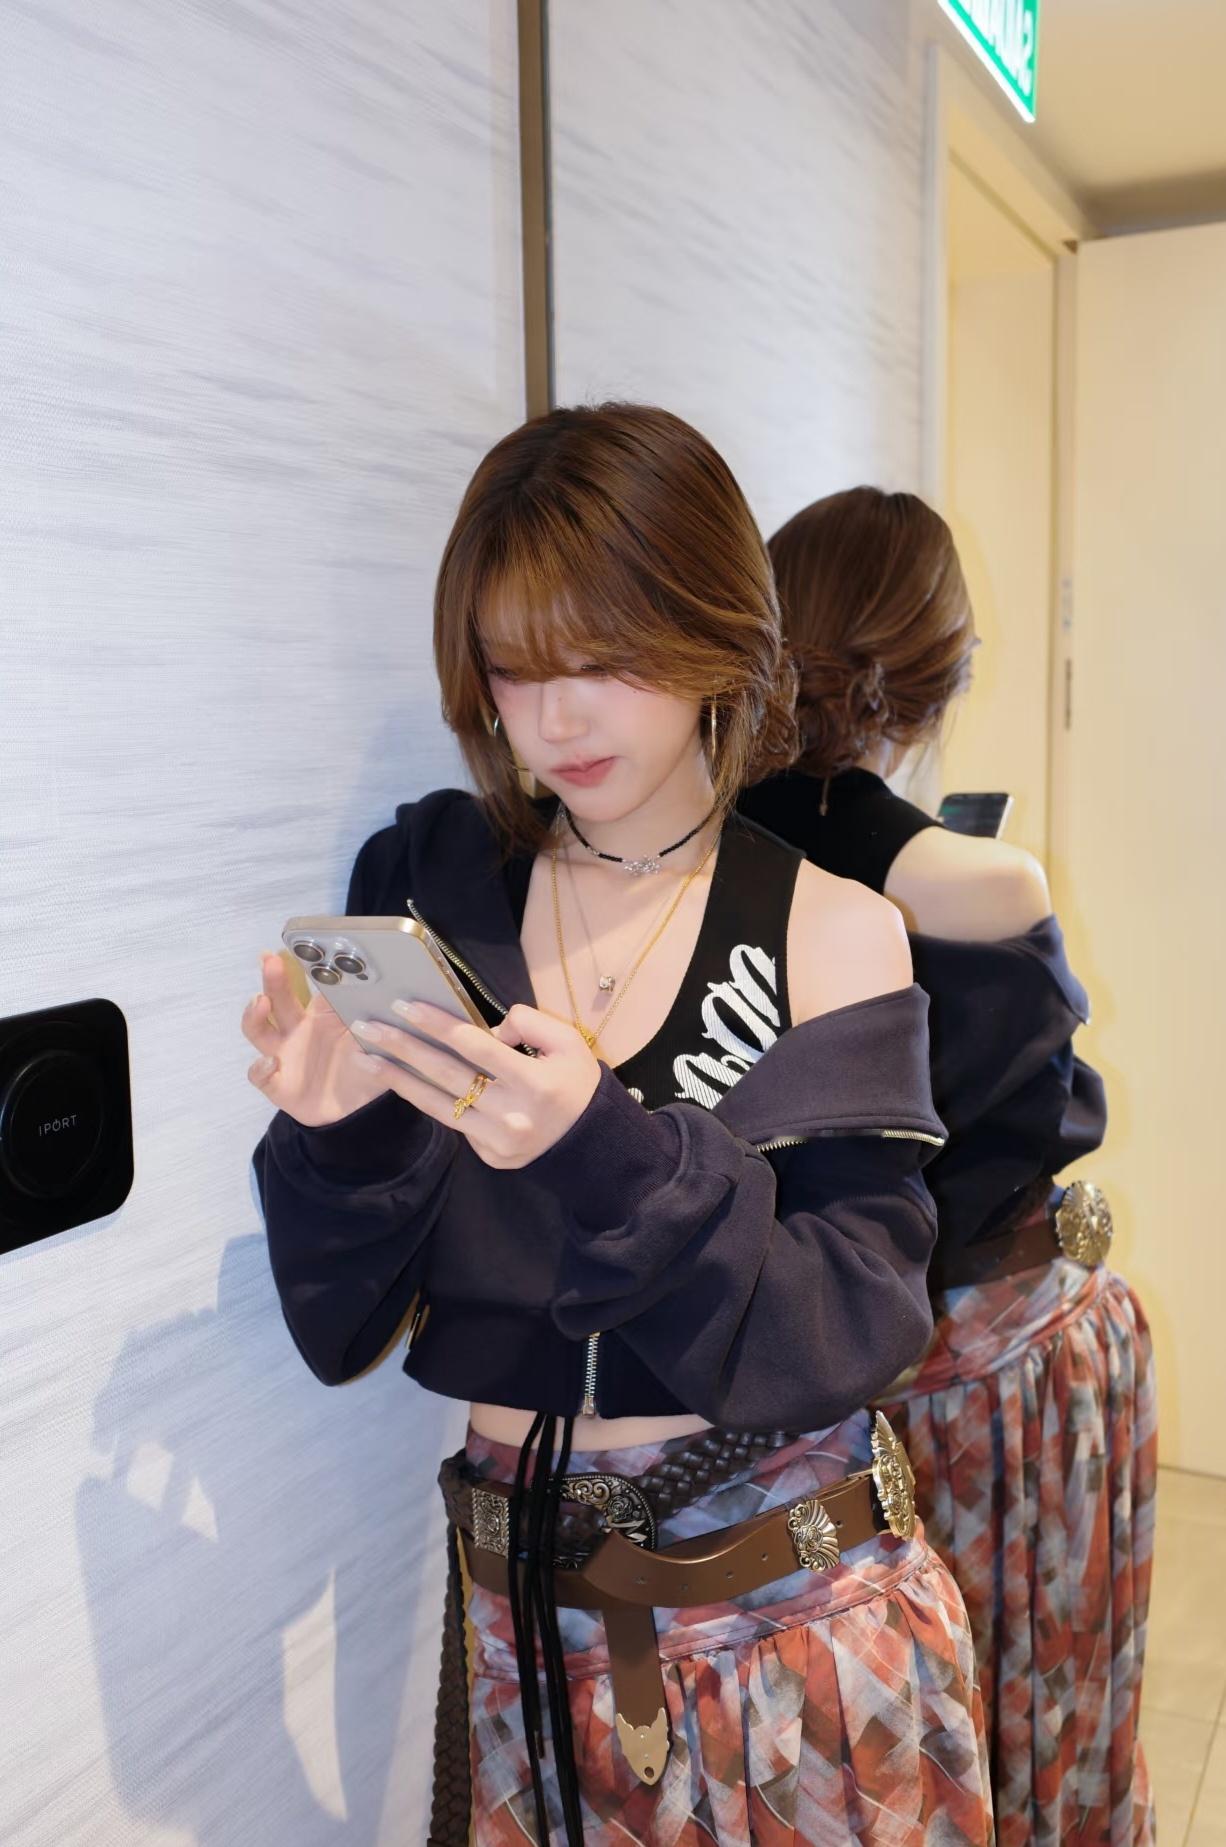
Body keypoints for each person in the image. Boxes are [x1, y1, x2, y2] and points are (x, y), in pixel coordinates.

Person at [244, 412, 993, 1846]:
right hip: (521, 1634)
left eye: (602, 661)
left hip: (789, 1629)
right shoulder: (430, 886)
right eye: (514, 668)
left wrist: (598, 1144)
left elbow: (855, 1327)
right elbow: (338, 1331)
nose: (555, 722)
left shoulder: (831, 927)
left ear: (716, 631)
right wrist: (341, 1140)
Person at [740, 485, 1156, 1846]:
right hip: (1000, 1367)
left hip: (819, 1393)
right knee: (1042, 1701)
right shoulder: (984, 882)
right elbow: (1031, 1114)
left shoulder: (694, 873)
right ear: (938, 675)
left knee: (914, 1746)